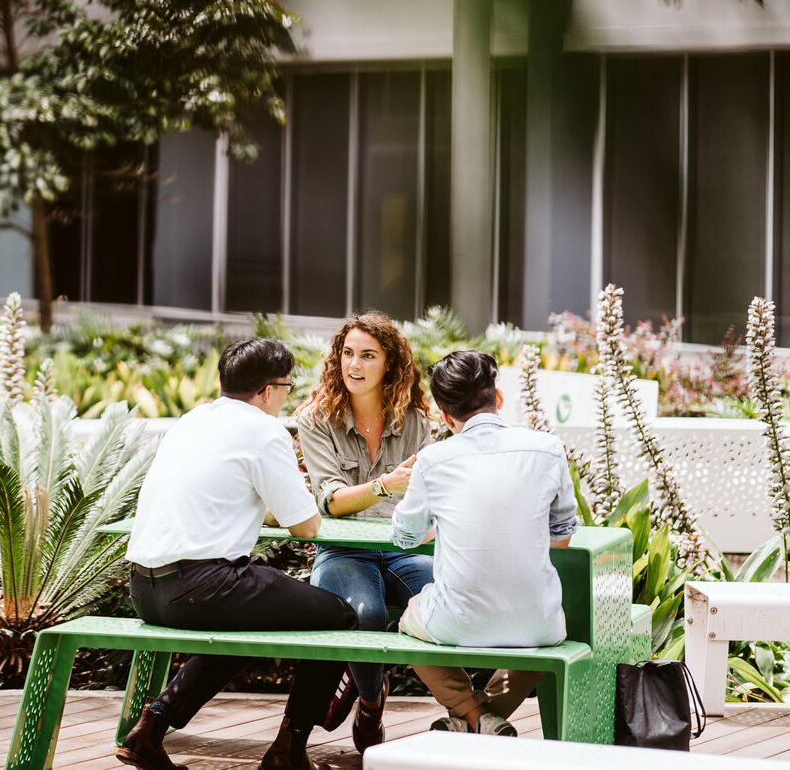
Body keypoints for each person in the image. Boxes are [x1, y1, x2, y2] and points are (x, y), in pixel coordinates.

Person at [117, 338, 358, 770]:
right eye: (287, 386)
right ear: (268, 390)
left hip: (144, 588)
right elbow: (306, 526)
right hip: (201, 587)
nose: (287, 397)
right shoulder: (264, 430)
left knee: (246, 624)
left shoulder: (193, 420)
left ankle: (150, 729)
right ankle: (289, 750)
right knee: (340, 616)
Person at [391, 349, 579, 735]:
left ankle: (470, 715)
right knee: (540, 634)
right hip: (540, 624)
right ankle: (484, 719)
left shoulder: (433, 459)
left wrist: (440, 526)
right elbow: (561, 536)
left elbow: (406, 537)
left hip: (456, 623)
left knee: (408, 618)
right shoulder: (548, 449)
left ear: (445, 416)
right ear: (499, 398)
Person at [294, 311, 435, 751]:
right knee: (365, 615)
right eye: (348, 354)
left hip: (401, 549)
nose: (354, 365)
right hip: (343, 549)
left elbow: (429, 500)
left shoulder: (416, 422)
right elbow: (331, 500)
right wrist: (384, 485)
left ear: (390, 364)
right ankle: (372, 702)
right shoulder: (316, 419)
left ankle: (466, 720)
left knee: (446, 600)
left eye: (368, 356)